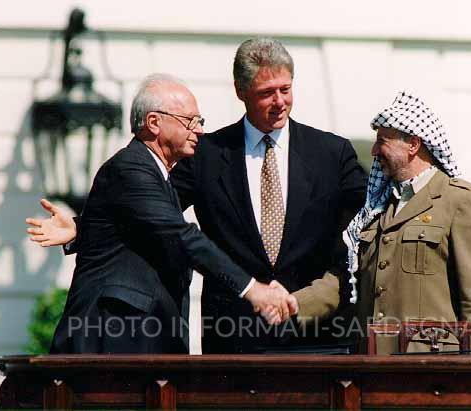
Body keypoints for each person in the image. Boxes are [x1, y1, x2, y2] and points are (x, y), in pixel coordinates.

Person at [28, 39, 471, 353]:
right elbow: (156, 217)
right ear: (242, 92)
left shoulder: (332, 152)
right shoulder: (207, 153)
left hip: (320, 336)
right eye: (266, 93)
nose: (279, 101)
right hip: (233, 339)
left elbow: (380, 206)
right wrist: (85, 227)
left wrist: (454, 209)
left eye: (286, 89)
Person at [30, 74, 290, 354]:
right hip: (111, 340)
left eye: (199, 121)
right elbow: (179, 235)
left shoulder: (159, 176)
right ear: (154, 122)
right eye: (190, 121)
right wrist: (253, 290)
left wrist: (82, 228)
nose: (199, 130)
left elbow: (137, 223)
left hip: (143, 340)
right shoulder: (131, 169)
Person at [286, 91, 471, 355]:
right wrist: (290, 304)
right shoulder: (376, 208)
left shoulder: (460, 200)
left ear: (413, 144)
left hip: (432, 372)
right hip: (370, 368)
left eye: (382, 141)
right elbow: (346, 281)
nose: (374, 151)